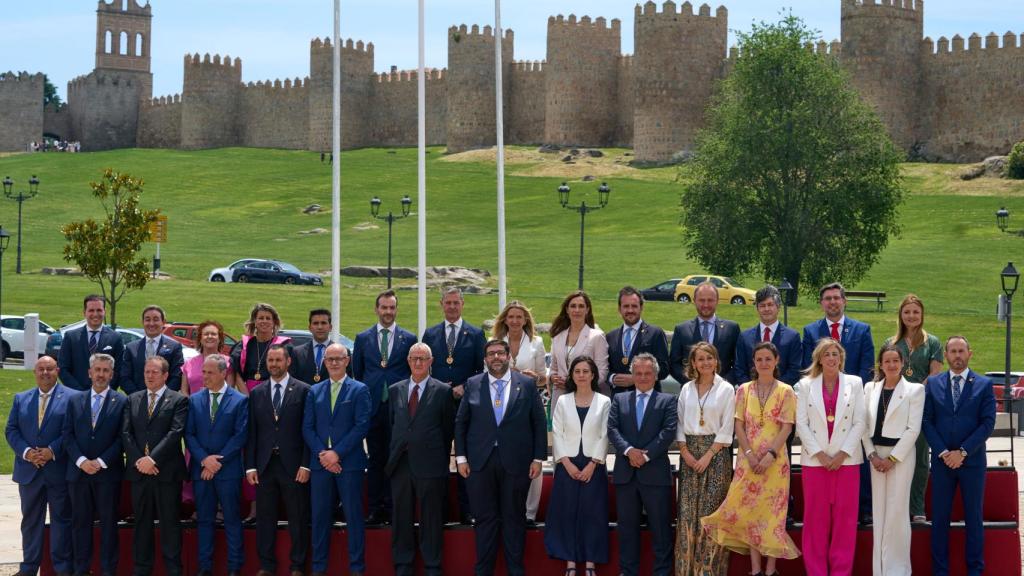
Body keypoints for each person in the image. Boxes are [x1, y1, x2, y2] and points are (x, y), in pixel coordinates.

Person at [702, 342, 800, 576]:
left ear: (776, 361)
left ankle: (771, 570)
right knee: (751, 514)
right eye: (759, 359)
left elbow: (787, 428)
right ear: (753, 363)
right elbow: (739, 424)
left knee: (772, 515)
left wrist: (769, 455)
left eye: (768, 359)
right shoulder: (743, 390)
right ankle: (755, 570)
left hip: (775, 464)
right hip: (748, 461)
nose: (764, 363)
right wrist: (748, 454)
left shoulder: (786, 391)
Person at [455, 339, 546, 576]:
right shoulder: (473, 384)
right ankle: (483, 570)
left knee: (514, 518)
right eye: (491, 354)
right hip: (480, 463)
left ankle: (516, 570)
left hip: (516, 462)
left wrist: (538, 458)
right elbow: (461, 422)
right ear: (485, 359)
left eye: (500, 353)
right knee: (485, 519)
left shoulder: (526, 385)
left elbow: (538, 423)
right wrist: (461, 458)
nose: (496, 357)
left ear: (508, 357)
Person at [801, 282, 875, 525]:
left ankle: (863, 507)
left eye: (836, 298)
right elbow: (808, 368)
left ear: (844, 301)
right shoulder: (811, 331)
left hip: (853, 401)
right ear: (822, 303)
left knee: (855, 453)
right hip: (822, 399)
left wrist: (851, 395)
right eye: (827, 299)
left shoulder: (862, 330)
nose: (832, 302)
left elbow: (867, 367)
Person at [922, 336, 996, 576]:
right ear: (945, 355)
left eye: (961, 351)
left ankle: (975, 570)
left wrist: (962, 452)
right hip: (942, 463)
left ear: (969, 354)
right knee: (939, 519)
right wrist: (944, 452)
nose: (957, 355)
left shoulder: (984, 384)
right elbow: (927, 421)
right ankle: (940, 571)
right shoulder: (933, 384)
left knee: (973, 519)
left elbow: (987, 423)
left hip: (972, 462)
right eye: (952, 351)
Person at [795, 339, 866, 576]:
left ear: (841, 357)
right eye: (827, 354)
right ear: (819, 358)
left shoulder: (855, 383)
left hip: (847, 461)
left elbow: (859, 422)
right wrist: (820, 454)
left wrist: (842, 453)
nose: (831, 358)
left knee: (845, 522)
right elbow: (801, 424)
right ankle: (816, 571)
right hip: (816, 462)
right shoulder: (804, 386)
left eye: (835, 354)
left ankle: (840, 572)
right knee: (815, 522)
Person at [303, 343, 372, 576]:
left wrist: (337, 453)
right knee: (320, 518)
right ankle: (319, 568)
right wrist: (323, 455)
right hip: (321, 464)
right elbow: (307, 427)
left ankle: (357, 568)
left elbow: (362, 425)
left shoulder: (359, 390)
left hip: (349, 464)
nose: (334, 362)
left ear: (347, 360)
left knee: (353, 517)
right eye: (330, 358)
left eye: (338, 358)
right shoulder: (315, 391)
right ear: (324, 362)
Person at [386, 343, 454, 576]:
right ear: (407, 360)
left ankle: (432, 565)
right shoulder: (395, 390)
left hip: (430, 464)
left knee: (431, 518)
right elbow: (391, 424)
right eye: (414, 358)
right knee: (401, 516)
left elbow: (447, 429)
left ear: (431, 362)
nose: (418, 363)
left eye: (422, 359)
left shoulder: (443, 391)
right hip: (401, 464)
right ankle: (403, 565)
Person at [607, 353, 677, 576]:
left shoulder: (667, 401)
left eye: (648, 373)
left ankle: (662, 572)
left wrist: (644, 456)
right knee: (627, 531)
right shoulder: (619, 400)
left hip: (655, 473)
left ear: (656, 375)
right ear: (632, 375)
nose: (643, 377)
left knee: (661, 530)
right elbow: (612, 430)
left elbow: (668, 432)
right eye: (638, 373)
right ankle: (628, 572)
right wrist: (629, 451)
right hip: (626, 474)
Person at [351, 289, 417, 526]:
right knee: (376, 459)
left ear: (396, 310)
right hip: (373, 408)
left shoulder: (409, 339)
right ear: (376, 309)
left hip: (399, 409)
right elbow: (357, 373)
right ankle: (377, 508)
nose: (388, 312)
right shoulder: (363, 338)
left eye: (392, 308)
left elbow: (413, 374)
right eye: (384, 307)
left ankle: (397, 507)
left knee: (398, 458)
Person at [421, 287, 486, 523]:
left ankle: (467, 510)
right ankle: (439, 510)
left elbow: (481, 370)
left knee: (464, 456)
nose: (452, 307)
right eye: (447, 303)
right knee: (437, 456)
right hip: (437, 404)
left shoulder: (475, 334)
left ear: (463, 304)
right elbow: (423, 368)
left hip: (465, 403)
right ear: (441, 304)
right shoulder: (430, 334)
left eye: (456, 303)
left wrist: (464, 387)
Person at [246, 344, 311, 576]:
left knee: (298, 517)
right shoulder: (256, 393)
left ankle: (297, 566)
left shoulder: (304, 391)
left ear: (288, 362)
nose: (273, 365)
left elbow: (308, 432)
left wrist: (306, 464)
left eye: (278, 360)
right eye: (270, 361)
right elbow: (252, 432)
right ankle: (266, 565)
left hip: (294, 466)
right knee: (265, 519)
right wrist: (251, 465)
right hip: (265, 466)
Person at [5, 356, 73, 576]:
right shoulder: (20, 398)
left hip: (58, 470)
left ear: (57, 371)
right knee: (31, 522)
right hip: (29, 471)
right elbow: (11, 430)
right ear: (35, 372)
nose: (45, 373)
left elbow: (70, 431)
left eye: (50, 369)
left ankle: (60, 568)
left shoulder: (72, 398)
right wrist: (27, 453)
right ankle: (29, 568)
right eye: (41, 369)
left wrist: (51, 450)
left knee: (61, 521)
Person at [544, 355, 611, 576]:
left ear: (593, 375)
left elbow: (604, 435)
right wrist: (566, 463)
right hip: (568, 464)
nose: (581, 375)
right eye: (577, 371)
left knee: (593, 514)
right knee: (567, 512)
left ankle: (590, 564)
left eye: (585, 371)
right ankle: (570, 563)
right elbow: (558, 433)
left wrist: (593, 464)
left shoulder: (604, 402)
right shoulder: (563, 400)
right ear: (572, 375)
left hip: (593, 463)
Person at [122, 356, 188, 576]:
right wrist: (140, 460)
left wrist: (153, 459)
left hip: (166, 473)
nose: (149, 376)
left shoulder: (178, 400)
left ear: (166, 375)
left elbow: (175, 432)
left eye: (154, 372)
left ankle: (173, 569)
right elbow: (126, 433)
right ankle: (142, 568)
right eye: (147, 372)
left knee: (170, 524)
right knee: (142, 524)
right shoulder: (133, 399)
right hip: (139, 473)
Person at [863, 344, 924, 576]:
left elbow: (913, 429)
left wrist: (893, 458)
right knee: (879, 512)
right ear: (881, 364)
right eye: (887, 361)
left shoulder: (915, 390)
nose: (891, 365)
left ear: (902, 364)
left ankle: (897, 570)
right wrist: (872, 455)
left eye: (895, 361)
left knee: (897, 512)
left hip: (900, 456)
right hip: (875, 456)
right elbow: (863, 426)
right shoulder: (870, 388)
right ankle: (879, 569)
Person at [63, 353, 127, 576]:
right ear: (89, 373)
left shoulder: (122, 402)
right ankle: (81, 570)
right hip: (78, 474)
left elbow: (122, 438)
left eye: (105, 371)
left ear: (112, 374)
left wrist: (99, 462)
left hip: (107, 474)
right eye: (97, 370)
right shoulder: (74, 400)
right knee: (80, 525)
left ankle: (108, 570)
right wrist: (81, 462)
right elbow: (67, 435)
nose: (101, 374)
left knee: (109, 526)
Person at [185, 354, 248, 576]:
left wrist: (217, 461)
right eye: (203, 372)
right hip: (202, 470)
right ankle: (205, 567)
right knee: (204, 520)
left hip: (227, 471)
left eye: (210, 372)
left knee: (231, 519)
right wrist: (204, 459)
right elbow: (189, 434)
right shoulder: (194, 400)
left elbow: (240, 436)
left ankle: (234, 567)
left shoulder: (239, 401)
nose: (205, 376)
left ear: (224, 373)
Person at [675, 342, 734, 576]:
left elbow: (727, 426)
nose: (705, 363)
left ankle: (708, 571)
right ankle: (686, 570)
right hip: (689, 454)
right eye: (700, 359)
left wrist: (709, 455)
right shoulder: (686, 389)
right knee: (689, 514)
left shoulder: (726, 389)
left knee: (711, 514)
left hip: (717, 455)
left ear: (716, 361)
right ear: (693, 363)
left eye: (709, 358)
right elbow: (679, 423)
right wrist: (686, 454)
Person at [884, 294, 942, 524]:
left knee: (919, 458)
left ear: (922, 315)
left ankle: (917, 506)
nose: (911, 316)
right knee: (894, 454)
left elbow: (935, 374)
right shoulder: (891, 343)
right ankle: (895, 507)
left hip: (922, 406)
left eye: (915, 312)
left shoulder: (933, 343)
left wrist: (914, 395)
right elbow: (885, 373)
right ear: (901, 315)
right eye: (907, 312)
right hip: (895, 406)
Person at [493, 300, 548, 526]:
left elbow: (544, 378)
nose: (515, 321)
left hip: (528, 403)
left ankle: (529, 513)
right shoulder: (494, 344)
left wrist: (533, 377)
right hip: (501, 406)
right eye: (511, 317)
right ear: (505, 319)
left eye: (519, 317)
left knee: (532, 456)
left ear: (526, 320)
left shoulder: (536, 342)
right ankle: (503, 509)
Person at [668, 282, 740, 384]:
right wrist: (692, 382)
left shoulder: (732, 329)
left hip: (722, 393)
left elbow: (739, 363)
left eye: (710, 300)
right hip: (692, 392)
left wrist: (722, 383)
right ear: (694, 301)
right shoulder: (681, 330)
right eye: (702, 300)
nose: (706, 304)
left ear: (717, 301)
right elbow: (674, 364)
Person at [550, 291, 609, 407]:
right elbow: (553, 368)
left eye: (581, 306)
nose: (577, 310)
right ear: (567, 310)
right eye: (573, 306)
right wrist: (553, 378)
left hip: (586, 398)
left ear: (587, 310)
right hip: (560, 398)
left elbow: (602, 372)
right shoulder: (557, 337)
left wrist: (576, 385)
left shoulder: (597, 336)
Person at [606, 286, 670, 394]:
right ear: (619, 309)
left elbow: (664, 369)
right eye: (626, 306)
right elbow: (604, 369)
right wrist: (612, 378)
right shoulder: (611, 336)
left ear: (641, 307)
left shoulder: (655, 333)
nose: (630, 310)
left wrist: (636, 378)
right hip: (618, 400)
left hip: (649, 400)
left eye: (634, 306)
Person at [733, 285, 802, 385]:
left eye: (770, 305)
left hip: (781, 395)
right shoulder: (744, 337)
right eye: (762, 305)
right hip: (752, 394)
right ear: (757, 308)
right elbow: (739, 369)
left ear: (778, 307)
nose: (766, 309)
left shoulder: (792, 337)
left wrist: (774, 389)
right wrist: (753, 389)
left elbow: (795, 370)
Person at [58, 294, 124, 391]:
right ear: (84, 313)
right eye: (91, 310)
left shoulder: (116, 338)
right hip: (76, 396)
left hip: (105, 397)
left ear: (104, 311)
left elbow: (118, 370)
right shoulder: (71, 337)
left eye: (99, 310)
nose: (95, 314)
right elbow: (63, 369)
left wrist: (104, 392)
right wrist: (79, 392)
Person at [120, 305, 184, 394]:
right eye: (147, 319)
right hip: (137, 403)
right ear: (142, 322)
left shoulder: (174, 347)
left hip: (165, 403)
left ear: (163, 322)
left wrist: (162, 397)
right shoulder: (131, 348)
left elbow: (177, 377)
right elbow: (124, 377)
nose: (151, 323)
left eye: (156, 319)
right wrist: (138, 398)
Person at [231, 302, 292, 392]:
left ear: (274, 322)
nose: (264, 321)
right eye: (261, 318)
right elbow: (236, 373)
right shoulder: (244, 345)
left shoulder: (283, 346)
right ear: (255, 322)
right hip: (247, 392)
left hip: (274, 392)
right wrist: (246, 397)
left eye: (268, 318)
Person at [181, 320, 235, 395]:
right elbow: (184, 391)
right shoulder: (189, 363)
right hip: (194, 405)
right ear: (200, 339)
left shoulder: (228, 362)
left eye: (213, 334)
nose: (209, 336)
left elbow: (230, 391)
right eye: (206, 334)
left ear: (219, 339)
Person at [289, 308, 333, 385]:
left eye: (323, 323)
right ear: (309, 328)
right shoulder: (297, 352)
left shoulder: (342, 352)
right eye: (315, 323)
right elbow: (292, 382)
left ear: (330, 327)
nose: (320, 327)